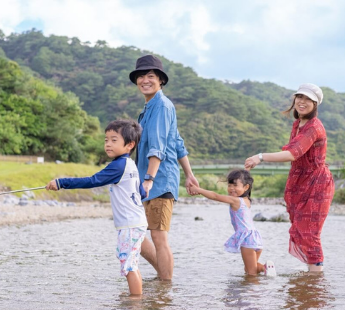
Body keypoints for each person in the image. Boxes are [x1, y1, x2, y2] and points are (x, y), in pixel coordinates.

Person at [46, 119, 148, 295]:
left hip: (130, 225)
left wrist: (61, 182)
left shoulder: (118, 165)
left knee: (129, 265)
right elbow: (142, 193)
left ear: (129, 145)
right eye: (106, 139)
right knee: (131, 263)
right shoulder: (131, 165)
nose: (108, 144)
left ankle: (135, 306)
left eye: (114, 140)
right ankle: (136, 302)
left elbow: (92, 181)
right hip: (136, 222)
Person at [244, 83, 335, 273]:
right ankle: (309, 285)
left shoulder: (314, 127)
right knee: (302, 229)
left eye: (308, 99)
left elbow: (293, 153)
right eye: (299, 97)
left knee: (310, 232)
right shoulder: (298, 124)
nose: (302, 102)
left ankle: (315, 283)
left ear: (316, 104)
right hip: (300, 183)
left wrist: (260, 157)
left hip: (316, 185)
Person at [129, 54, 199, 281]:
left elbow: (158, 147)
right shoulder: (148, 108)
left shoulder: (161, 106)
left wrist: (149, 178)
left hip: (158, 181)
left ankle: (165, 289)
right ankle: (163, 277)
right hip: (148, 180)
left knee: (159, 237)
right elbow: (177, 142)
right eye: (141, 76)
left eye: (150, 76)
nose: (145, 80)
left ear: (161, 80)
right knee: (135, 232)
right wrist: (189, 174)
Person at [189, 169, 276, 276]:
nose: (231, 189)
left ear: (246, 187)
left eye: (235, 186)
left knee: (251, 273)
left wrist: (199, 190)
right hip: (255, 238)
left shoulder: (236, 200)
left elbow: (215, 196)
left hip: (247, 238)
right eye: (230, 185)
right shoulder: (247, 200)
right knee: (249, 269)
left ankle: (253, 291)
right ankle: (265, 268)